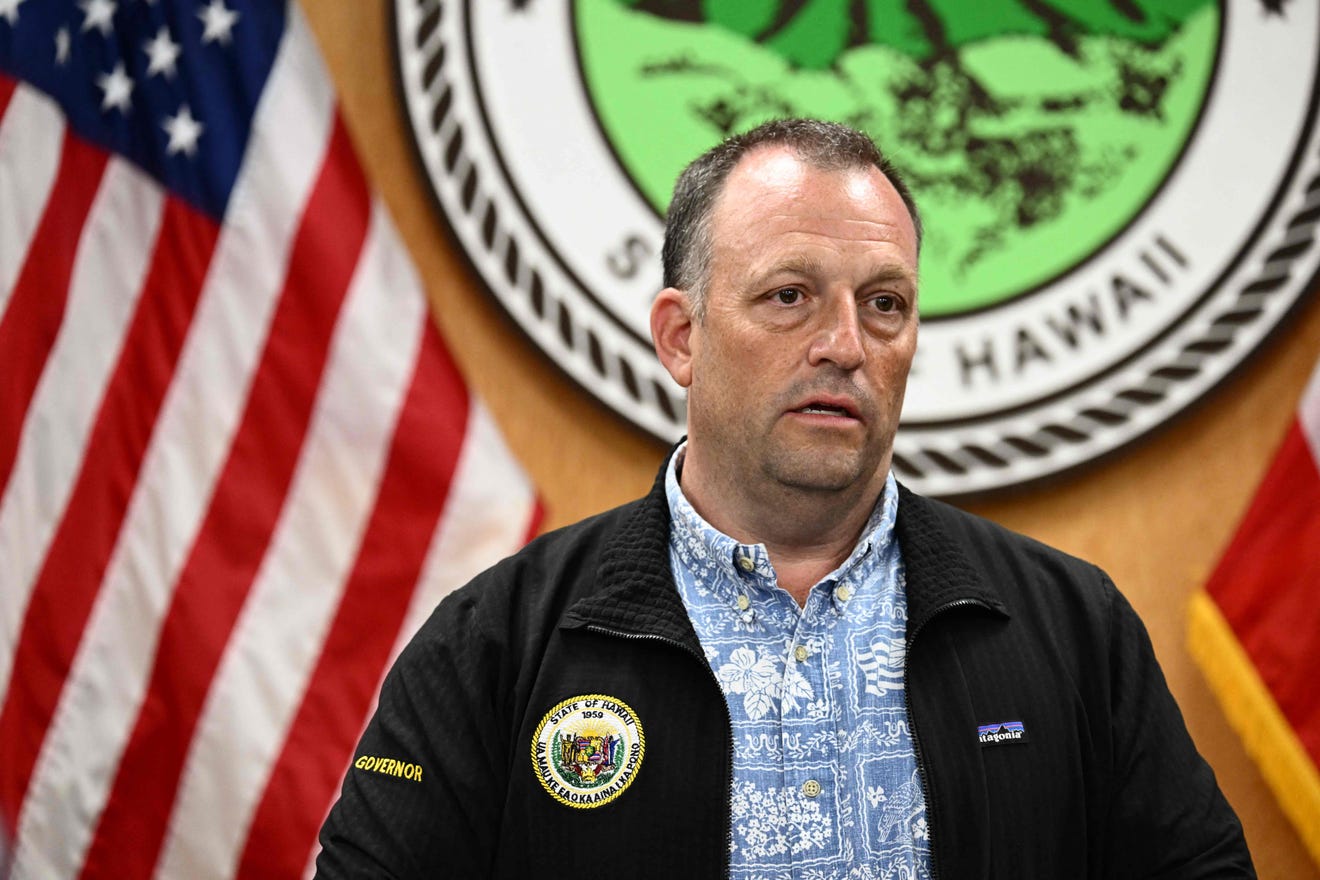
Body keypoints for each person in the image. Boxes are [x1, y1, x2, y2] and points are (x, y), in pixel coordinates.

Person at [315, 119, 1254, 878]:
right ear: (681, 338)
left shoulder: (1070, 628)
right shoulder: (499, 642)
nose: (846, 343)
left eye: (884, 303)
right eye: (790, 296)